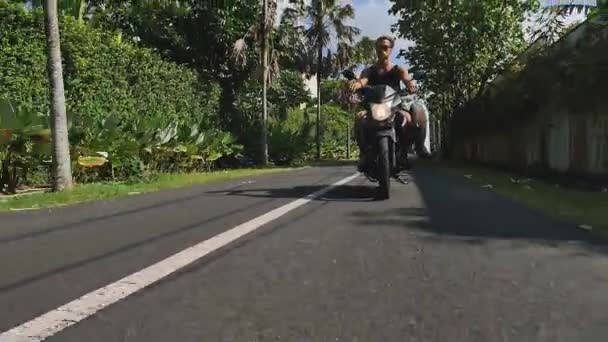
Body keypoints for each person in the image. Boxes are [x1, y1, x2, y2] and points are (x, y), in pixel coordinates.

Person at [348, 35, 429, 172]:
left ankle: (411, 149)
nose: (382, 51)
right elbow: (363, 80)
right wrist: (357, 84)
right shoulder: (369, 70)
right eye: (379, 48)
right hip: (373, 107)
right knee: (359, 117)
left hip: (394, 106)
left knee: (409, 117)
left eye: (385, 48)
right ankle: (364, 153)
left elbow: (407, 79)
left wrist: (410, 84)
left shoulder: (398, 69)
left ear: (391, 50)